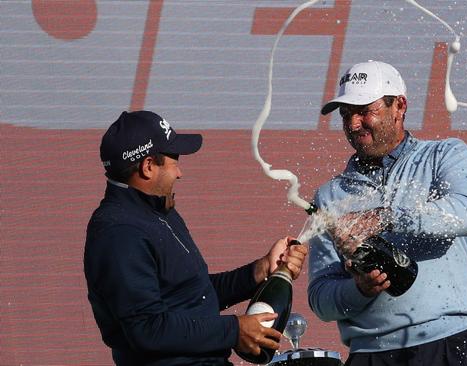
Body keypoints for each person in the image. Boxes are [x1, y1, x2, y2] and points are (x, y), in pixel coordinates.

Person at [84, 111, 308, 366]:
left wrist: (259, 270)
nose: (179, 173)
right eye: (173, 161)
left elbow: (193, 296)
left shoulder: (159, 213)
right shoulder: (118, 233)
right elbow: (147, 328)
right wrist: (234, 330)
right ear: (148, 167)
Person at [307, 61, 467, 366]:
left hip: (447, 345)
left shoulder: (443, 155)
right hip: (369, 355)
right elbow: (321, 299)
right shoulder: (330, 196)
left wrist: (386, 216)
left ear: (399, 106)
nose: (353, 123)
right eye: (346, 114)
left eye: (364, 110)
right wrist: (360, 289)